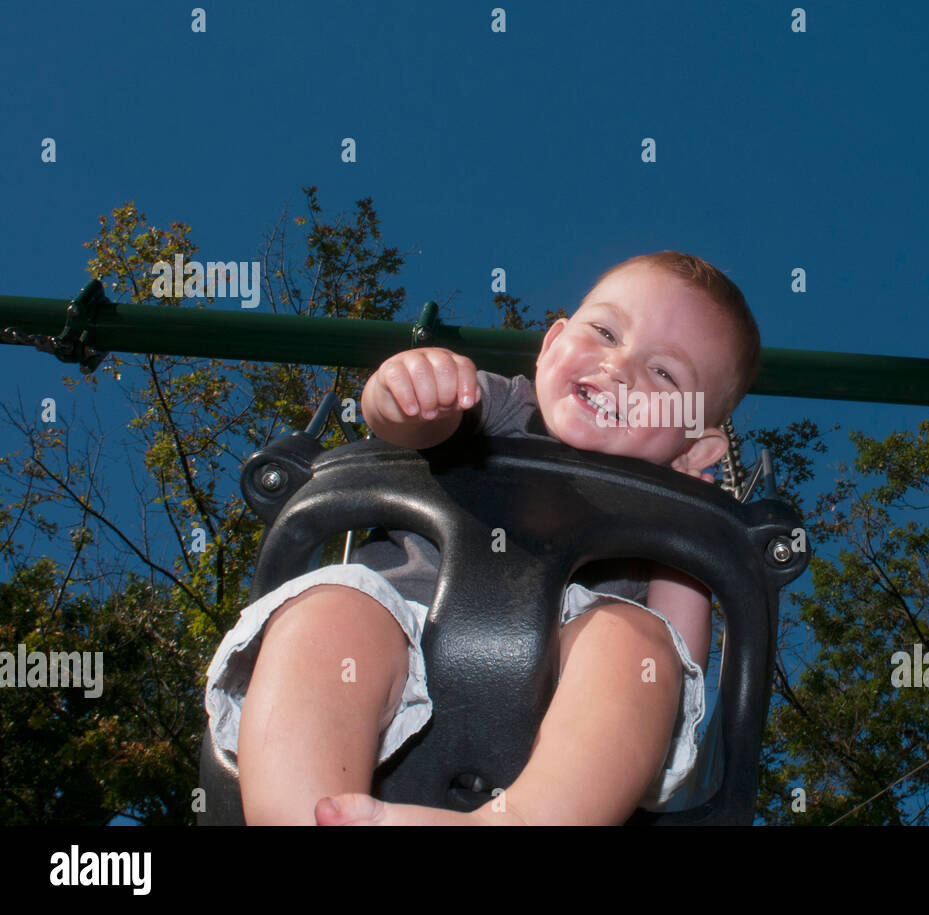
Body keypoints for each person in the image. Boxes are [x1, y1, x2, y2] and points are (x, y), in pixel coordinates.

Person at [204, 251, 761, 824]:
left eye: (665, 373)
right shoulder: (499, 407)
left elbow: (679, 663)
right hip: (403, 629)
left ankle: (524, 819)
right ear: (550, 347)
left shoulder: (659, 515)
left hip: (566, 721)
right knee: (328, 612)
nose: (619, 366)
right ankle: (299, 812)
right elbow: (406, 423)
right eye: (605, 332)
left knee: (640, 644)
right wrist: (409, 391)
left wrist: (691, 521)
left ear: (696, 448)